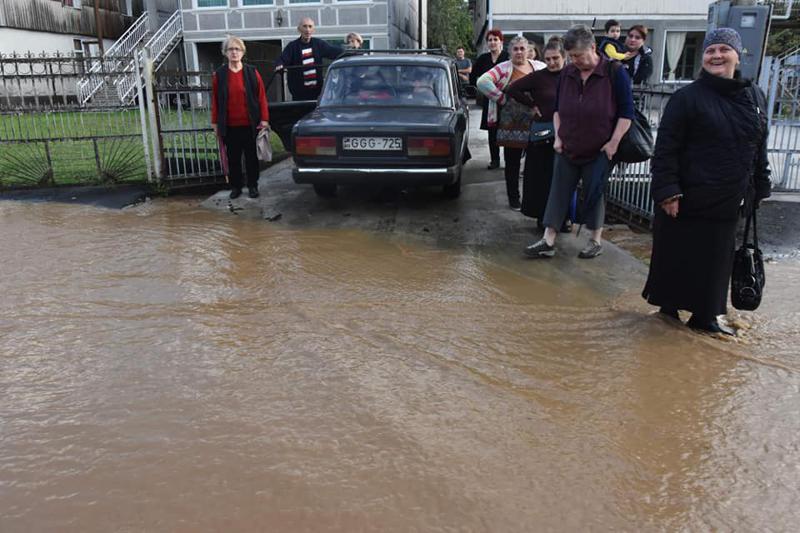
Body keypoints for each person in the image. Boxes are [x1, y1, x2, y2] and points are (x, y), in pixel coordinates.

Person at [642, 28, 771, 335]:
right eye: (710, 51)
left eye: (724, 49)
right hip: (685, 197)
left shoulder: (754, 96)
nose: (716, 55)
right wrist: (668, 191)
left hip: (729, 196)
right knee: (675, 258)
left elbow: (759, 143)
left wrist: (761, 183)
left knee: (716, 261)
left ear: (737, 56)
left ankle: (706, 317)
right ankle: (667, 316)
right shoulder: (687, 98)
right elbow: (666, 148)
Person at [524, 24, 633, 259]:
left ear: (593, 48)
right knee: (558, 191)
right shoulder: (568, 73)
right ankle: (548, 239)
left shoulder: (614, 72)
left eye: (578, 56)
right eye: (571, 56)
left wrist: (613, 142)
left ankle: (594, 240)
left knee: (594, 193)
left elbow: (626, 113)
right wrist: (559, 136)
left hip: (599, 147)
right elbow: (557, 110)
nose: (574, 61)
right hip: (567, 145)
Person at [506, 38, 567, 226]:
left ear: (564, 57)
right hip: (543, 135)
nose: (551, 63)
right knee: (541, 178)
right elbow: (512, 89)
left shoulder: (571, 76)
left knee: (564, 178)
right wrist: (532, 105)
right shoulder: (539, 76)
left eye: (555, 58)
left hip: (567, 134)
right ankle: (543, 216)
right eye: (548, 59)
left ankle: (564, 218)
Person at [477, 35, 540, 210]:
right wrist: (501, 99)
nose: (519, 52)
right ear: (510, 51)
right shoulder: (503, 68)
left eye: (522, 48)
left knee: (533, 165)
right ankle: (514, 199)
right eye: (516, 49)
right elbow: (482, 81)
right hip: (510, 124)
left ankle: (531, 200)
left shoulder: (538, 67)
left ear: (528, 50)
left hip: (535, 122)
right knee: (512, 164)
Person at [211, 36, 270, 200]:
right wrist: (215, 123)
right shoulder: (220, 75)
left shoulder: (252, 72)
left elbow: (261, 97)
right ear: (225, 53)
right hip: (229, 126)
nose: (234, 52)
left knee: (251, 158)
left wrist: (264, 120)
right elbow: (215, 100)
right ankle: (236, 187)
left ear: (242, 52)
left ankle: (253, 186)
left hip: (251, 125)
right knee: (234, 159)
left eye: (237, 49)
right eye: (230, 49)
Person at [275, 18, 343, 101]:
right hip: (299, 96)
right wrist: (279, 65)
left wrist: (351, 51)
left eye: (310, 27)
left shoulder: (318, 44)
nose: (307, 30)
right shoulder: (292, 46)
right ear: (299, 29)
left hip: (317, 94)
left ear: (313, 29)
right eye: (305, 26)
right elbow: (282, 59)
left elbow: (334, 51)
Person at [470, 29, 509, 170]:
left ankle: (510, 160)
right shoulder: (483, 59)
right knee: (492, 132)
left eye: (495, 39)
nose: (492, 42)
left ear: (501, 42)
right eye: (490, 40)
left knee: (508, 130)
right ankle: (495, 160)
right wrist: (483, 90)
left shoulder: (507, 57)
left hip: (506, 100)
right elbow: (473, 77)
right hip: (490, 100)